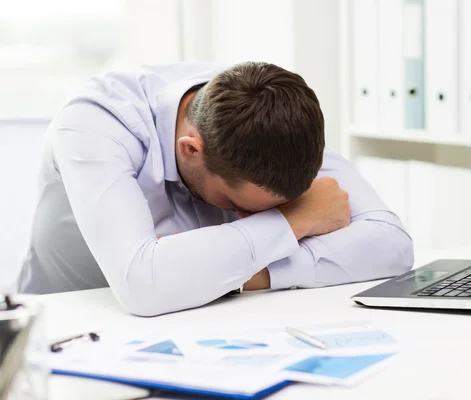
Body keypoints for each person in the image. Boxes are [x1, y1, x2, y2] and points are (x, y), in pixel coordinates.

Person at [18, 61, 414, 316]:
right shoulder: (95, 123)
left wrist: (251, 275)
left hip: (206, 321)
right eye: (237, 204)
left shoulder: (268, 116)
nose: (255, 219)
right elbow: (143, 284)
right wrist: (295, 220)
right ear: (190, 149)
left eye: (281, 207)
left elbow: (392, 244)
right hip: (66, 324)